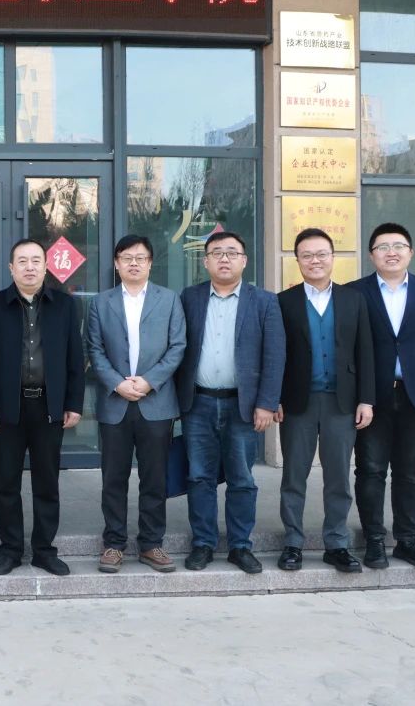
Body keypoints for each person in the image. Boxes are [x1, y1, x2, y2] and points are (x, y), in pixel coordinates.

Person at [175, 231, 285, 575]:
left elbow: (275, 356)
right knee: (199, 477)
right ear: (205, 261)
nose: (224, 258)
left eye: (232, 252)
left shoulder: (264, 301)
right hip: (198, 403)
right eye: (217, 252)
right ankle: (203, 544)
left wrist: (267, 403)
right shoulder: (190, 298)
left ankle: (240, 546)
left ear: (244, 261)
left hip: (244, 406)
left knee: (242, 479)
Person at [349, 222, 415, 570]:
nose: (391, 252)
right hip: (372, 397)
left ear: (411, 252)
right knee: (370, 470)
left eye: (398, 246)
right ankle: (374, 541)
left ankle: (407, 541)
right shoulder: (355, 292)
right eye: (382, 247)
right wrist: (357, 396)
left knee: (410, 472)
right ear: (371, 255)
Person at [0, 238, 84, 577]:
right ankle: (10, 550)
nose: (29, 267)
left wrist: (74, 403)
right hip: (8, 408)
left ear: (46, 266)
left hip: (49, 406)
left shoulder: (64, 306)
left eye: (36, 260)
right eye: (22, 261)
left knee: (47, 482)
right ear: (11, 268)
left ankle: (43, 550)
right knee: (6, 482)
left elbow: (75, 358)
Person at [275, 228, 375, 573]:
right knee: (294, 476)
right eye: (307, 255)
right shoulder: (283, 301)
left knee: (338, 478)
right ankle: (293, 542)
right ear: (298, 260)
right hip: (297, 404)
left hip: (341, 403)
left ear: (332, 258)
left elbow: (365, 352)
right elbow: (276, 355)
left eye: (321, 254)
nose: (314, 260)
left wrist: (366, 399)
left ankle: (337, 544)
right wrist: (274, 398)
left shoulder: (353, 300)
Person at [85, 234, 186, 574]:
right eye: (126, 258)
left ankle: (151, 544)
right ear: (116, 264)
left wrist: (148, 381)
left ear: (150, 263)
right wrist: (117, 383)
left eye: (140, 258)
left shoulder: (169, 300)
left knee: (154, 478)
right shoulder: (100, 303)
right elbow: (94, 349)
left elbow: (177, 347)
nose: (133, 263)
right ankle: (114, 544)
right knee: (113, 478)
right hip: (115, 403)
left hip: (156, 402)